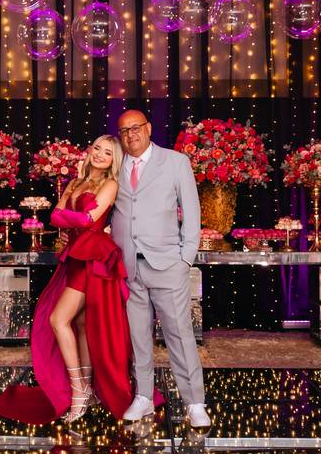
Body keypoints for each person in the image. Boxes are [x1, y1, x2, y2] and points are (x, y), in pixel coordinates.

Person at [0, 135, 135, 424]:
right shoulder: (75, 182)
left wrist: (70, 217)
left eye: (108, 153)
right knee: (81, 324)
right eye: (97, 148)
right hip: (74, 255)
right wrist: (73, 217)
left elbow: (85, 220)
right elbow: (54, 218)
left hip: (93, 256)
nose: (99, 155)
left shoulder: (110, 184)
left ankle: (79, 390)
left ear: (114, 161)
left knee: (58, 319)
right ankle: (88, 389)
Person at [110, 109, 211, 428]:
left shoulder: (175, 162)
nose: (131, 135)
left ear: (149, 128)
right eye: (124, 131)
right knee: (138, 336)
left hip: (168, 263)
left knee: (179, 334)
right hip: (128, 266)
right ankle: (143, 396)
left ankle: (194, 402)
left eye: (136, 128)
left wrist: (186, 259)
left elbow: (192, 212)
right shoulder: (116, 164)